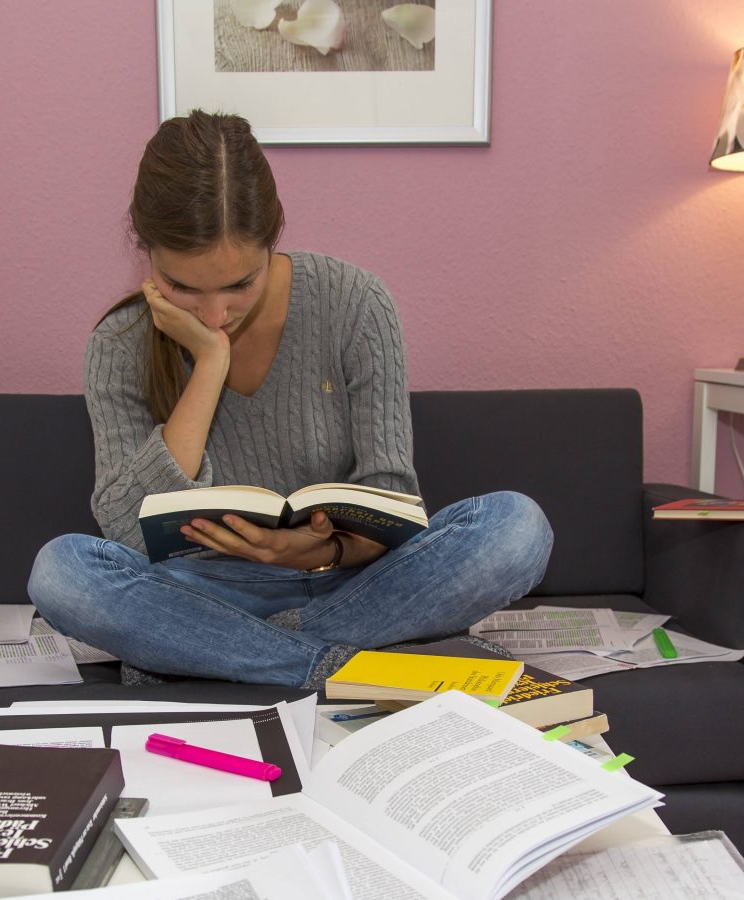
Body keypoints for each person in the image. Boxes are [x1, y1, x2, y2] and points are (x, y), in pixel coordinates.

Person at [28, 110, 552, 688]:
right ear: (146, 252)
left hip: (350, 583)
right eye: (182, 287)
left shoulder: (354, 302)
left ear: (272, 240)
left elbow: (393, 498)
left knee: (517, 528)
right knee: (61, 572)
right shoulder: (120, 342)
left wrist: (315, 554)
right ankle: (325, 665)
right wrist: (209, 364)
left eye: (238, 284)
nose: (212, 314)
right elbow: (127, 530)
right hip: (198, 592)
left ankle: (231, 654)